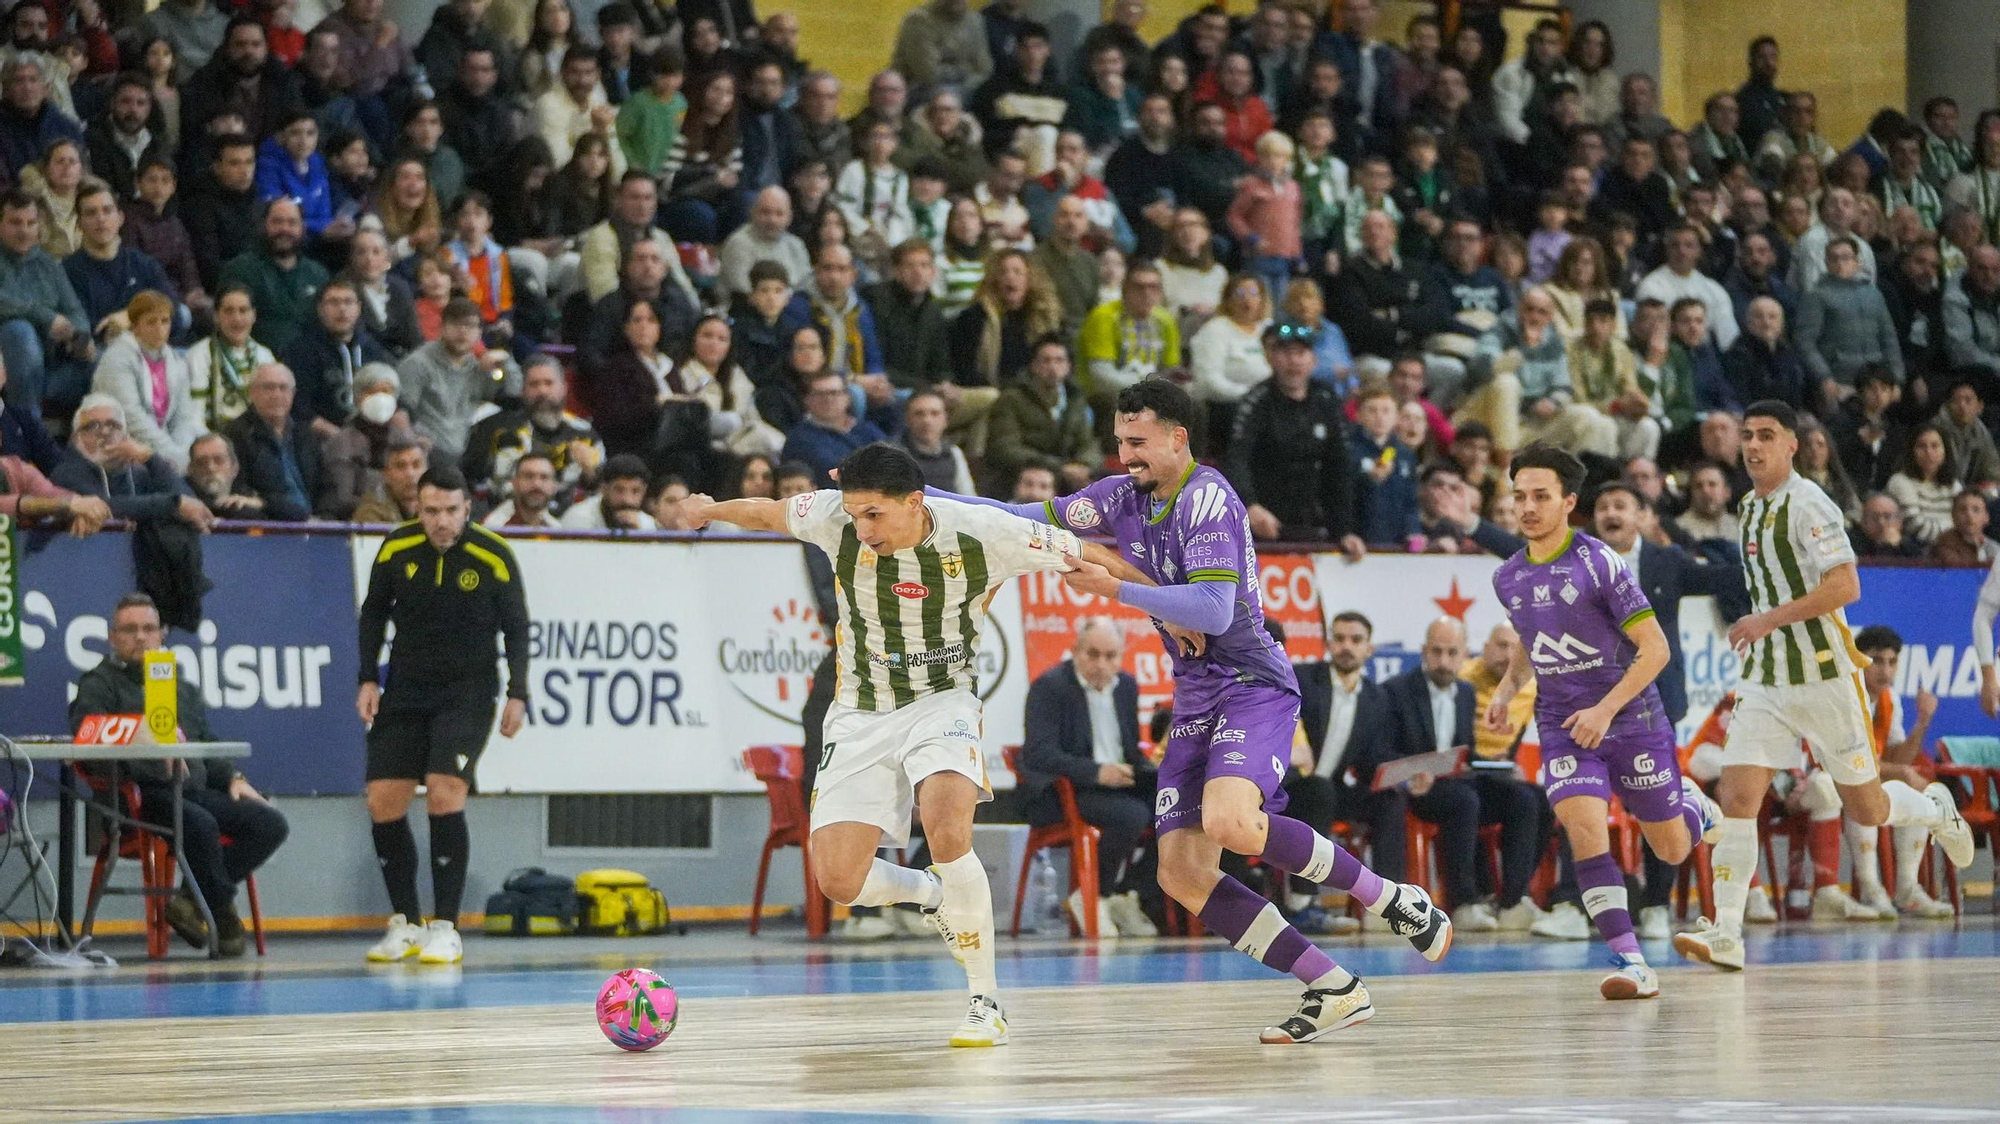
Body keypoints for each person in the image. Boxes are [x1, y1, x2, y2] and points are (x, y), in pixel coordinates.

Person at [944, 379, 1453, 1042]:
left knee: (1231, 821)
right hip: (1195, 695)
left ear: (1177, 438)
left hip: (1250, 683)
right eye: (1119, 441)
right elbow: (1017, 517)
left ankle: (1392, 898)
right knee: (1182, 875)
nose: (1125, 454)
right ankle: (1332, 986)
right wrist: (911, 497)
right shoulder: (1120, 497)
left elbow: (1212, 611)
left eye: (1137, 441)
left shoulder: (1207, 498)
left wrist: (1118, 586)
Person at [679, 442, 1135, 1047]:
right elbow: (766, 513)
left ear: (916, 502)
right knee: (838, 880)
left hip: (943, 701)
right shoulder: (833, 516)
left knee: (947, 827)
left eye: (875, 515)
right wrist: (710, 509)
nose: (863, 529)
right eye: (856, 514)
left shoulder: (985, 531)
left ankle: (985, 1002)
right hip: (859, 711)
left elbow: (1089, 553)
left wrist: (1172, 605)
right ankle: (932, 894)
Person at [1674, 400, 1975, 973]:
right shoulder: (1748, 505)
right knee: (1737, 797)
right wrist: (1762, 626)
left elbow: (1846, 587)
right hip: (1766, 677)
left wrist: (1767, 619)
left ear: (1792, 445)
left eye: (1766, 435)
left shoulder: (1809, 501)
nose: (1753, 445)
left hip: (1824, 675)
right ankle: (1727, 932)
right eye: (1747, 435)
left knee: (1867, 805)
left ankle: (1935, 810)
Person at [1480, 445, 1722, 999]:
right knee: (1585, 832)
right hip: (1563, 723)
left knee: (1672, 848)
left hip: (1631, 717)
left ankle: (1693, 807)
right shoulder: (1508, 576)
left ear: (1569, 502)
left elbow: (1656, 650)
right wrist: (1509, 688)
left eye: (1541, 496)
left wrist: (1605, 709)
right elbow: (1529, 637)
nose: (1527, 507)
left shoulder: (1600, 563)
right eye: (1519, 496)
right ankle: (1632, 962)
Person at [357, 464, 528, 966]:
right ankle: (406, 923)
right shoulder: (396, 548)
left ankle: (446, 927)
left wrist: (518, 692)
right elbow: (373, 613)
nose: (441, 521)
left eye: (451, 511)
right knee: (382, 799)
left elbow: (517, 626)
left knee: (444, 789)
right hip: (406, 690)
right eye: (431, 511)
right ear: (418, 508)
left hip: (467, 693)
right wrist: (366, 678)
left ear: (467, 508)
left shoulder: (493, 555)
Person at [69, 592, 288, 957]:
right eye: (130, 630)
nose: (141, 637)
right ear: (112, 638)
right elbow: (87, 734)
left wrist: (233, 777)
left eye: (148, 628)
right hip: (138, 797)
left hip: (192, 790)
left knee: (269, 823)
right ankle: (221, 912)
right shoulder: (98, 683)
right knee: (199, 824)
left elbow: (205, 743)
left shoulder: (179, 686)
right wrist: (146, 740)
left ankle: (189, 900)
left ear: (162, 634)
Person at [1020, 616, 1158, 938]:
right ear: (1075, 651)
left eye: (1110, 656)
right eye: (1092, 654)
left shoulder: (1126, 687)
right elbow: (1039, 754)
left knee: (1180, 808)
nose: (1101, 665)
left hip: (1117, 786)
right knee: (1131, 815)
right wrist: (1097, 772)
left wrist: (1147, 771)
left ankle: (1128, 891)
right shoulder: (1049, 688)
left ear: (1121, 657)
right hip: (1066, 790)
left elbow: (1129, 749)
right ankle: (1094, 894)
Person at [1224, 321, 1360, 551]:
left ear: (1313, 359)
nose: (1294, 361)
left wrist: (1344, 530)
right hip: (1265, 524)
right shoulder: (1256, 402)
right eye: (1286, 353)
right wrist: (1250, 505)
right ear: (1270, 358)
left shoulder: (1326, 400)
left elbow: (1339, 466)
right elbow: (1236, 459)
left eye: (1301, 353)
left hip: (1314, 522)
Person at [0, 188, 93, 418]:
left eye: (31, 223)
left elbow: (74, 311)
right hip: (8, 361)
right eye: (15, 222)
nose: (24, 231)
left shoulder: (48, 264)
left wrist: (79, 337)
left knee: (105, 359)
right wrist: (47, 317)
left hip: (49, 367)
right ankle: (27, 428)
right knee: (20, 332)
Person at [395, 297, 522, 465]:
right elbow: (400, 413)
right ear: (442, 327)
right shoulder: (417, 363)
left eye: (470, 325)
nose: (462, 331)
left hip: (464, 455)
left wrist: (506, 360)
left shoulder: (478, 368)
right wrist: (413, 444)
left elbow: (514, 397)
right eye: (455, 324)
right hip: (426, 453)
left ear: (479, 332)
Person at [221, 362, 322, 522]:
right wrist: (269, 504)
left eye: (283, 388)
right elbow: (240, 492)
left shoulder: (305, 433)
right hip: (271, 523)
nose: (276, 395)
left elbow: (324, 485)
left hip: (317, 523)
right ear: (252, 392)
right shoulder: (235, 434)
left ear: (293, 394)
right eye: (268, 388)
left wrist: (327, 516)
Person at [781, 369, 888, 486]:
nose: (828, 399)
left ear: (847, 397)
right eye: (819, 394)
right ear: (807, 400)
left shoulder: (868, 430)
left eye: (834, 393)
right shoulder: (798, 441)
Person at [560, 452, 656, 530]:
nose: (627, 500)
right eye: (619, 490)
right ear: (604, 489)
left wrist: (634, 533)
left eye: (635, 491)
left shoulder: (647, 525)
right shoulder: (579, 518)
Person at [184, 431, 264, 518]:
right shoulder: (180, 501)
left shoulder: (250, 499)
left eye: (219, 460)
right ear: (190, 470)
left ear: (235, 468)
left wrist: (260, 504)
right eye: (202, 462)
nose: (211, 468)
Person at [482, 449, 563, 527]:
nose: (536, 484)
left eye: (544, 477)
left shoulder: (556, 529)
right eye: (528, 476)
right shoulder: (493, 527)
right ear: (514, 483)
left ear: (554, 486)